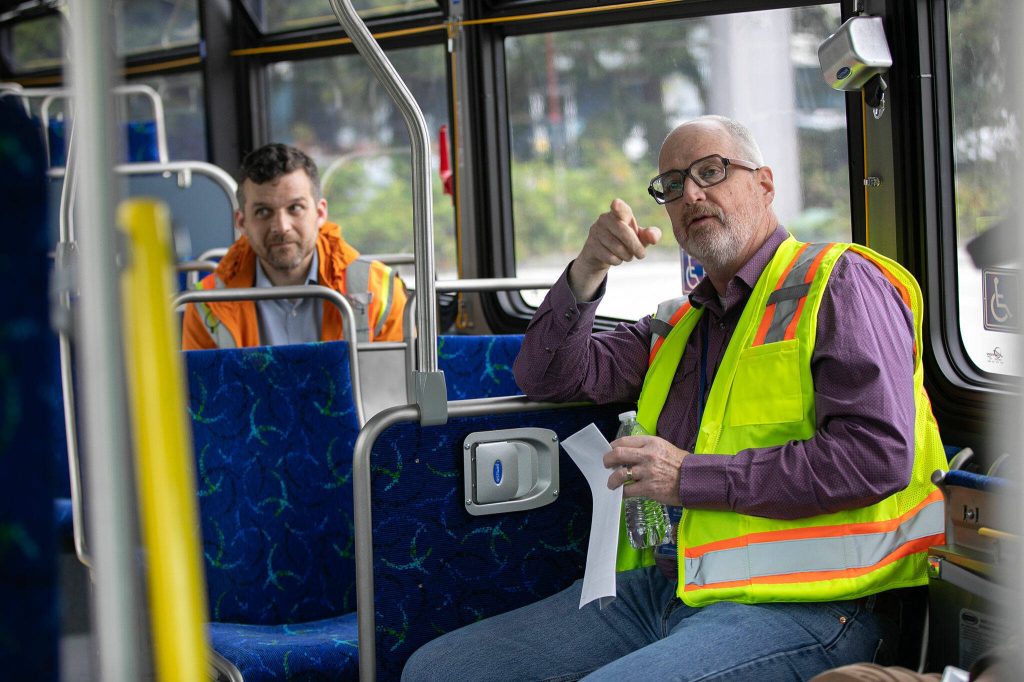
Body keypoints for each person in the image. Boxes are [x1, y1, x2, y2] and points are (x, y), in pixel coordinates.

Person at [401, 115, 948, 681]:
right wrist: (588, 269)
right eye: (672, 184)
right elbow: (547, 378)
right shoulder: (678, 325)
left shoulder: (839, 284)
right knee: (439, 669)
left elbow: (875, 457)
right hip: (672, 586)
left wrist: (688, 477)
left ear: (764, 184)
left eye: (712, 171)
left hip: (816, 602)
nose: (691, 193)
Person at [182, 143, 406, 349]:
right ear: (242, 222)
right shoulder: (206, 306)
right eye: (263, 212)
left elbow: (397, 389)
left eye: (295, 208)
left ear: (320, 213)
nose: (281, 227)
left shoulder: (379, 292)